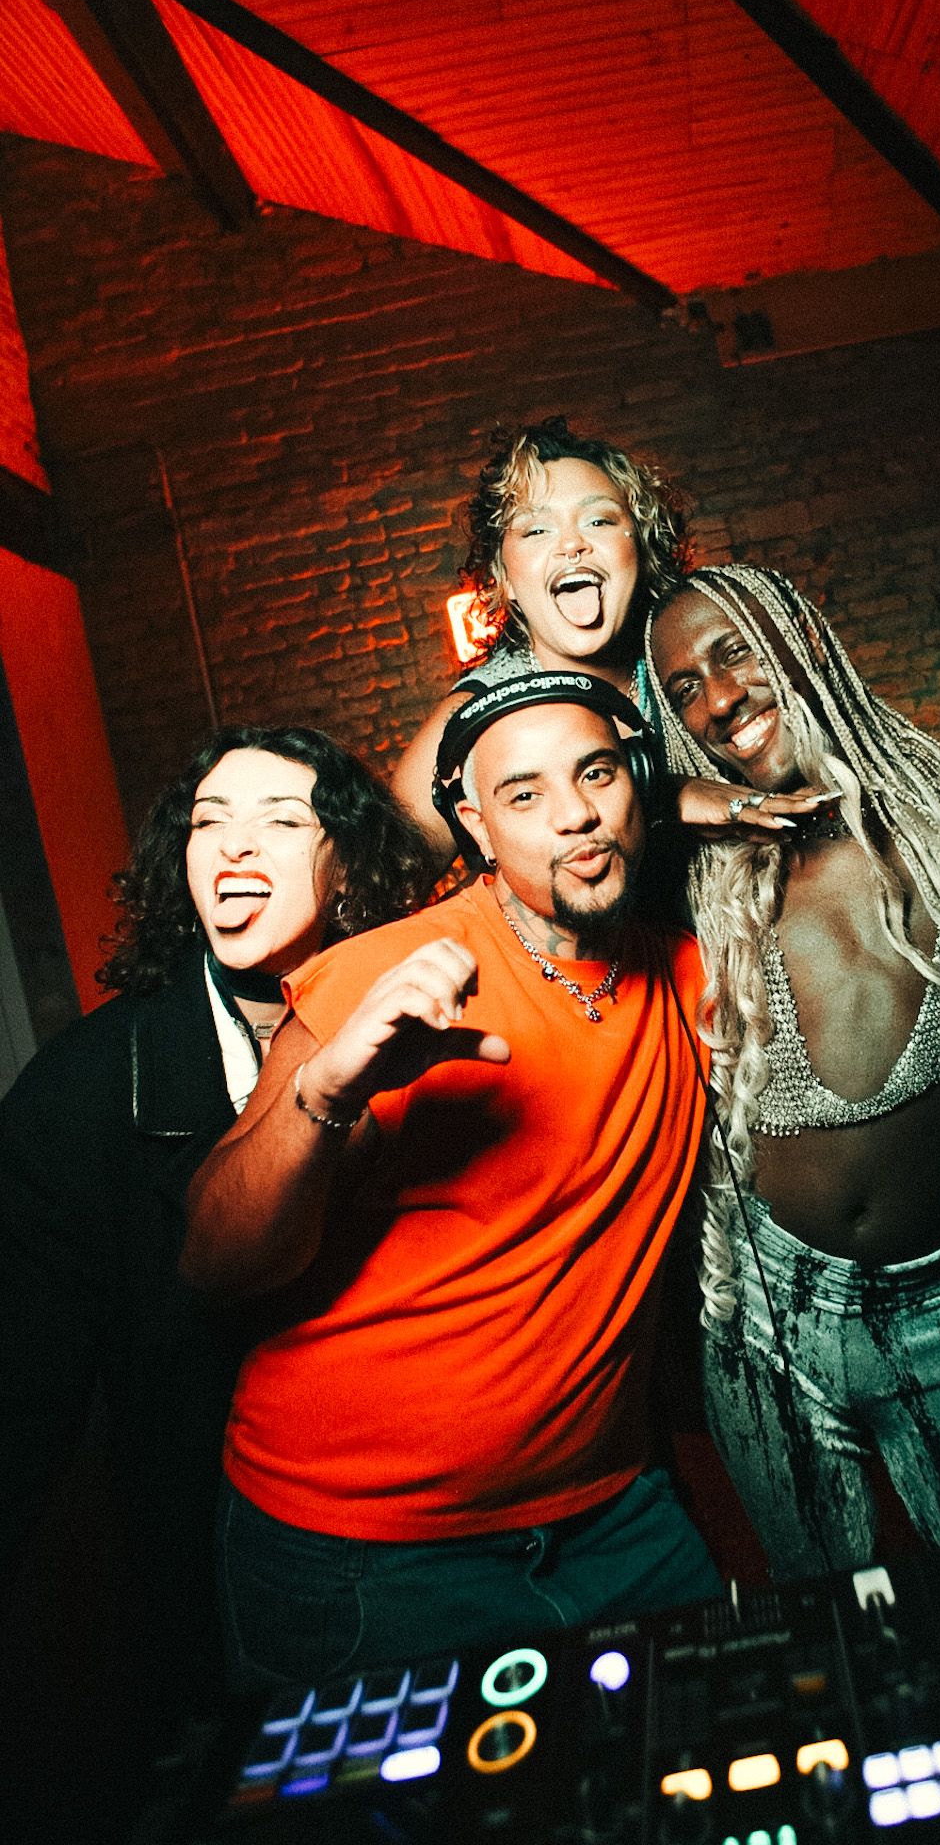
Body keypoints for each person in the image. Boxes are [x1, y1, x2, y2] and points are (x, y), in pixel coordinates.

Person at [179, 676, 723, 1687]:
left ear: (637, 786)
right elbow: (212, 1260)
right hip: (360, 1549)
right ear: (474, 825)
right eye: (523, 794)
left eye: (597, 773)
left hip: (613, 1519)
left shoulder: (690, 976)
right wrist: (324, 1094)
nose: (573, 814)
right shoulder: (384, 973)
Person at [0, 728, 430, 1764]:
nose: (235, 845)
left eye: (282, 820)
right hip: (217, 1593)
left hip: (427, 1555)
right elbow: (26, 1400)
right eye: (208, 822)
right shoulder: (77, 1095)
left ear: (351, 866)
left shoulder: (433, 1038)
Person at [645, 565, 940, 1580]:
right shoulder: (691, 871)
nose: (718, 699)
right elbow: (546, 820)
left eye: (735, 651)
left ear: (803, 634)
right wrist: (671, 801)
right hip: (763, 1314)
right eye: (683, 689)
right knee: (823, 1623)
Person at [391, 416, 815, 862]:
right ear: (504, 578)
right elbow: (386, 882)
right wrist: (662, 796)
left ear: (642, 550)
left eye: (599, 520)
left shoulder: (684, 657)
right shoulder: (476, 716)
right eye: (536, 530)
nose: (571, 545)